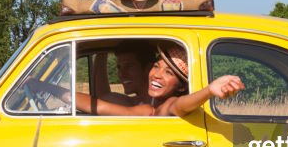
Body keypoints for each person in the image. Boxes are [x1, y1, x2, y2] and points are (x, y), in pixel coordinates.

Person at [72, 44, 244, 116]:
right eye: (157, 66)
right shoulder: (139, 102)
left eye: (169, 72)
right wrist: (101, 53)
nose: (157, 74)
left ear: (181, 86)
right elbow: (103, 96)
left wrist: (208, 90)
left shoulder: (162, 106)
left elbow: (180, 105)